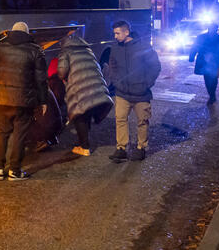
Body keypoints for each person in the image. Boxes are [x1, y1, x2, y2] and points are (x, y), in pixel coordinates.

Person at [0, 21, 48, 181]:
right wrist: (43, 100)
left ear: (11, 32)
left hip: (2, 99)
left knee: (2, 133)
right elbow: (41, 79)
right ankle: (15, 171)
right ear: (27, 33)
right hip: (24, 100)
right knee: (19, 135)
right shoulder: (35, 50)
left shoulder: (0, 47)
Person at [105, 21, 161, 162]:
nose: (115, 36)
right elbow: (112, 66)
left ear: (126, 32)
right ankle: (121, 148)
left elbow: (155, 66)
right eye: (114, 33)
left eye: (118, 33)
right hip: (122, 93)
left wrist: (146, 83)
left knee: (142, 121)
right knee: (120, 119)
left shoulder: (143, 46)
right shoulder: (115, 48)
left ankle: (141, 148)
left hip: (141, 93)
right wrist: (116, 82)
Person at [56, 34, 113, 157]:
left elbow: (61, 72)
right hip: (95, 85)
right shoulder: (87, 49)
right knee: (86, 113)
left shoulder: (65, 52)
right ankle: (82, 142)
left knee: (79, 116)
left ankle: (84, 147)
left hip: (79, 87)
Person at [188, 23, 219, 104]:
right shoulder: (202, 37)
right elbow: (194, 47)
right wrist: (191, 57)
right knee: (208, 78)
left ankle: (212, 95)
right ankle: (212, 95)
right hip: (206, 61)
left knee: (213, 78)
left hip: (215, 61)